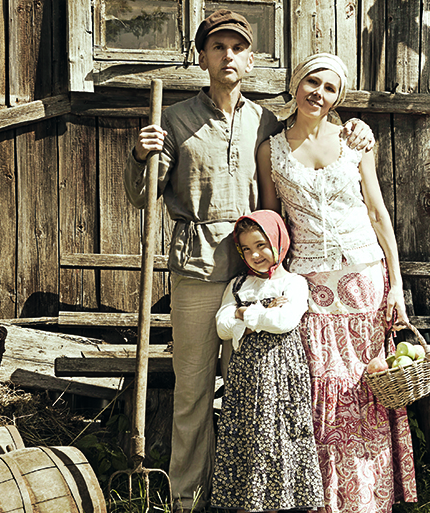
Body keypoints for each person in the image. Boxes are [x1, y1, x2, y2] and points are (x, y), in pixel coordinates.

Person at [124, 10, 375, 509]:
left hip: (256, 277)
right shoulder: (173, 119)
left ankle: (246, 494)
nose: (228, 55)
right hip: (198, 270)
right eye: (218, 47)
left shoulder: (265, 120)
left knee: (254, 395)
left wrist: (357, 130)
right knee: (193, 391)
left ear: (251, 58)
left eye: (238, 47)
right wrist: (140, 154)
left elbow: (314, 126)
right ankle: (188, 497)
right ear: (203, 57)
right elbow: (142, 196)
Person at [257, 53, 418, 512]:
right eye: (312, 81)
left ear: (338, 97)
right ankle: (325, 497)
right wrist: (273, 283)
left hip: (365, 274)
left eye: (330, 88)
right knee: (322, 384)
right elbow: (273, 222)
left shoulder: (356, 142)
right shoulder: (271, 150)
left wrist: (396, 285)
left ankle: (370, 497)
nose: (319, 93)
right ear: (296, 84)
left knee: (369, 386)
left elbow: (376, 212)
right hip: (310, 282)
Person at [212, 210, 323, 512]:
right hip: (246, 376)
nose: (255, 255)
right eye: (246, 249)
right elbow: (221, 326)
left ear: (277, 241)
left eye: (261, 245)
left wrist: (245, 314)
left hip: (281, 376)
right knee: (248, 435)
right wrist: (257, 312)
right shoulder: (237, 285)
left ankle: (278, 505)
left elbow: (285, 320)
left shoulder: (294, 284)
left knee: (278, 436)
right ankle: (250, 504)